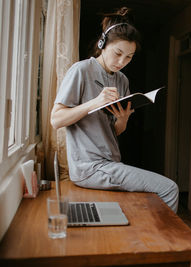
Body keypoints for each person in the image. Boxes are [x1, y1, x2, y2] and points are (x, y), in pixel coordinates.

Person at [50, 7, 179, 213]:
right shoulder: (81, 70)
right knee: (169, 189)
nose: (122, 62)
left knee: (148, 200)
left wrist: (122, 120)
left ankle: (148, 237)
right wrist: (94, 103)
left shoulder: (122, 80)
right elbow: (56, 120)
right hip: (89, 168)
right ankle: (164, 243)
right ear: (102, 45)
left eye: (129, 57)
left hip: (110, 163)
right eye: (118, 53)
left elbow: (113, 132)